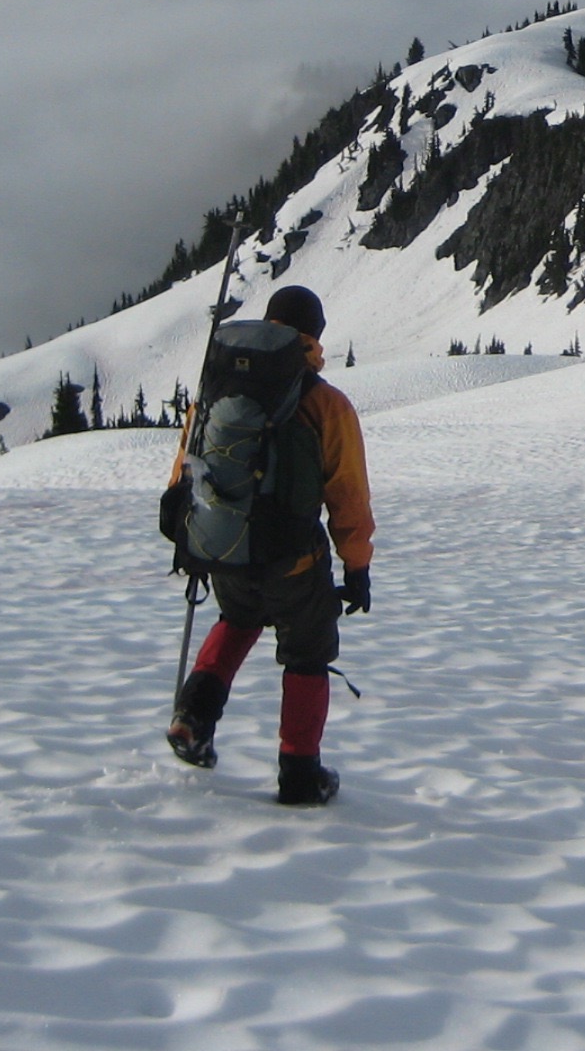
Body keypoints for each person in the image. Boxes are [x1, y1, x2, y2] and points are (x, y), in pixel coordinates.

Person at [165, 284, 373, 805]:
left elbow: (187, 466)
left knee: (237, 620)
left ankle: (193, 716)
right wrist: (357, 565)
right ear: (315, 335)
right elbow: (347, 492)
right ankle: (300, 772)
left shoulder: (218, 389)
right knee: (306, 653)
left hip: (226, 546)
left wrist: (192, 539)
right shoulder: (325, 403)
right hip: (293, 557)